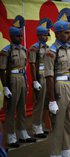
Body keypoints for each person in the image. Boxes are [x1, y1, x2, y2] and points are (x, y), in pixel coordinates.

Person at [44, 8, 70, 157]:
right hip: (59, 87)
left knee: (67, 122)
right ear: (58, 33)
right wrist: (52, 100)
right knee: (57, 124)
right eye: (66, 33)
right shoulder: (51, 52)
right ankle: (55, 156)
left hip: (69, 86)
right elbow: (49, 76)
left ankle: (66, 152)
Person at [0, 15, 36, 148]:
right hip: (12, 80)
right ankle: (10, 136)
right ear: (11, 37)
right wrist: (5, 87)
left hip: (22, 78)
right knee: (11, 109)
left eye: (21, 36)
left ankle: (22, 133)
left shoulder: (23, 50)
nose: (20, 38)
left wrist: (26, 82)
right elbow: (2, 70)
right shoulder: (6, 51)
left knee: (22, 107)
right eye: (17, 36)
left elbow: (24, 67)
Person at [29, 18, 53, 138]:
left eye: (47, 35)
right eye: (44, 35)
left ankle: (43, 125)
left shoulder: (47, 47)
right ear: (39, 35)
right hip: (39, 76)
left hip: (47, 76)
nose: (46, 37)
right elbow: (32, 64)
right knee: (39, 103)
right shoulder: (34, 48)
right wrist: (34, 80)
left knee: (46, 103)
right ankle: (36, 127)